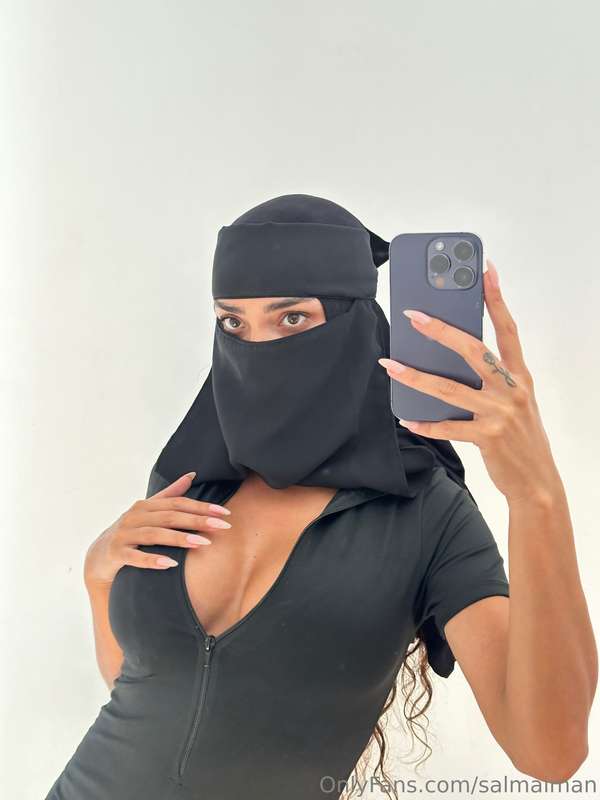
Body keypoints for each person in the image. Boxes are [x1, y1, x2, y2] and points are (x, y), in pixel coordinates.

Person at [45, 195, 595, 800]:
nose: (256, 347)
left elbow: (550, 753)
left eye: (292, 319)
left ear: (355, 322)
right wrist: (99, 578)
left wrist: (537, 494)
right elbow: (147, 688)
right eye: (233, 323)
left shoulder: (427, 514)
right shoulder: (194, 481)